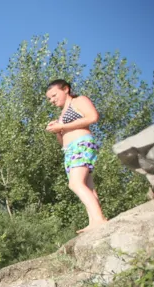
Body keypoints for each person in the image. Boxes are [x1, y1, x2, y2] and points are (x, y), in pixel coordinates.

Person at [45, 79, 108, 233]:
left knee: (75, 184)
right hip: (70, 150)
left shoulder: (79, 101)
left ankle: (99, 219)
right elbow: (63, 142)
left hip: (82, 144)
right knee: (87, 186)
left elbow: (93, 117)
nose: (52, 100)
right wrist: (57, 131)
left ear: (66, 89)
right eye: (49, 99)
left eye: (54, 95)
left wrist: (62, 126)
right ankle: (94, 220)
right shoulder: (61, 115)